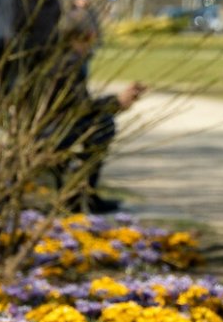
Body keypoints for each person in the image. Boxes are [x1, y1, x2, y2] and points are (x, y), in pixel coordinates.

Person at [41, 11, 145, 214]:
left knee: (101, 124)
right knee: (102, 126)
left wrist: (116, 102)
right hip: (53, 129)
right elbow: (80, 108)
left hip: (52, 124)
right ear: (80, 38)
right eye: (90, 38)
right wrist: (117, 102)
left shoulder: (60, 58)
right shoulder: (69, 63)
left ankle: (83, 193)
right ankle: (81, 194)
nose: (92, 45)